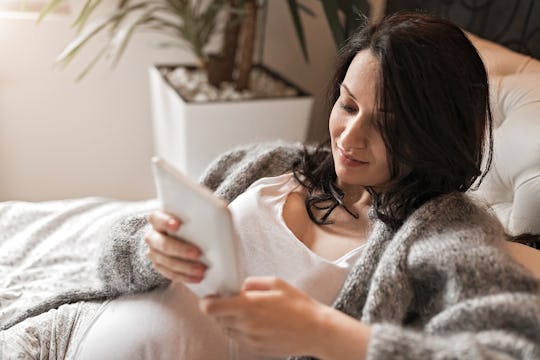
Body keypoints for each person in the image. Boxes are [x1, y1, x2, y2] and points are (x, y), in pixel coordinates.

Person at [73, 11, 540, 359]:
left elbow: (509, 349)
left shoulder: (445, 233)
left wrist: (325, 332)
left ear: (434, 134)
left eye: (388, 124)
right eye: (348, 105)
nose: (350, 138)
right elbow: (109, 262)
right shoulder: (268, 163)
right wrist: (149, 248)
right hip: (72, 334)